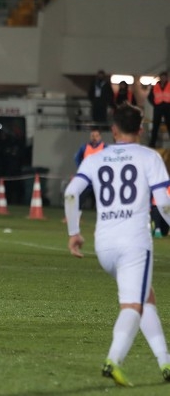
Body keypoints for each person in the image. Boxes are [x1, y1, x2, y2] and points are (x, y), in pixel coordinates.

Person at [64, 104, 170, 386]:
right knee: (133, 305)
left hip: (105, 244)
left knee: (147, 298)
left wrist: (74, 232)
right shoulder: (150, 157)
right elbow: (164, 201)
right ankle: (113, 360)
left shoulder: (97, 158)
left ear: (113, 129)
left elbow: (72, 193)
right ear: (141, 128)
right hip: (134, 242)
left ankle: (165, 362)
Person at [74, 128, 105, 210]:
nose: (94, 138)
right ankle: (74, 216)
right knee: (80, 196)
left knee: (104, 197)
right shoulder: (84, 147)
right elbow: (77, 158)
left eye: (96, 136)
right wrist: (81, 169)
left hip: (100, 177)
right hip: (87, 177)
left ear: (100, 137)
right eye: (92, 136)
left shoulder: (105, 147)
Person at [147, 71, 170, 148]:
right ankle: (152, 143)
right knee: (155, 126)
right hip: (158, 108)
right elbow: (150, 97)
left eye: (164, 77)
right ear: (160, 78)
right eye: (162, 77)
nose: (163, 79)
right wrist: (155, 104)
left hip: (167, 108)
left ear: (167, 78)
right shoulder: (155, 86)